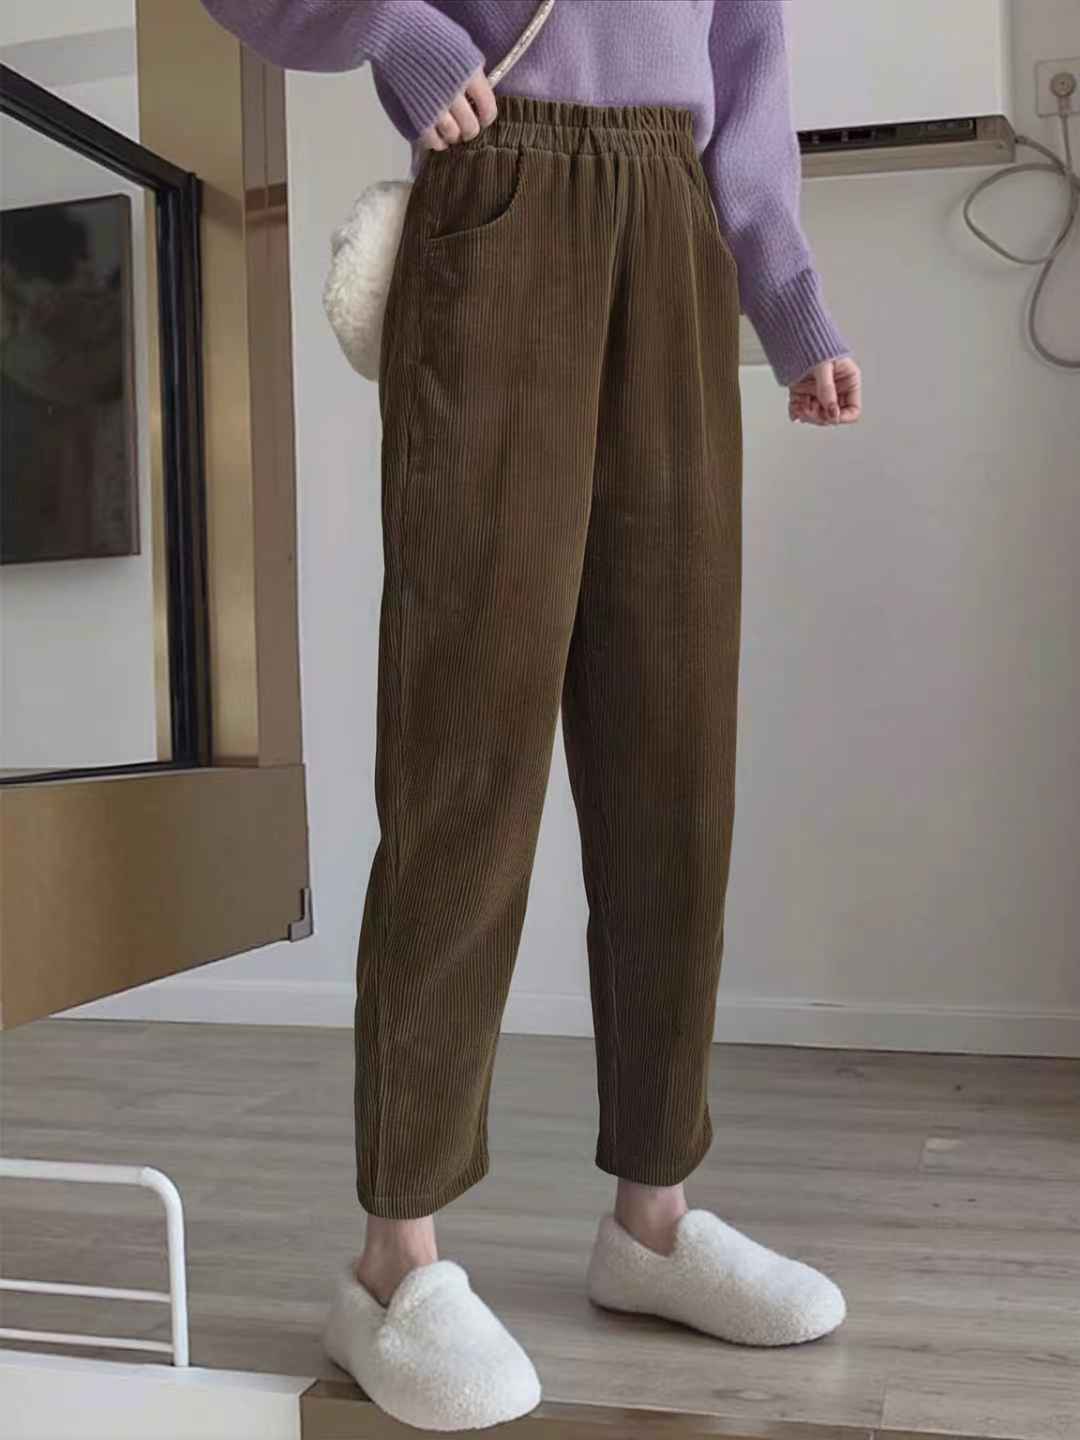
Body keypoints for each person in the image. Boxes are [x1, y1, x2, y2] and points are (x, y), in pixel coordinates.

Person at [201, 2, 863, 1431]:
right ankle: (394, 1262)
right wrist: (388, 24)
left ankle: (654, 1220)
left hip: (676, 227)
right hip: (502, 200)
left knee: (675, 752)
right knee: (469, 756)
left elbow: (745, 51)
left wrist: (785, 290)